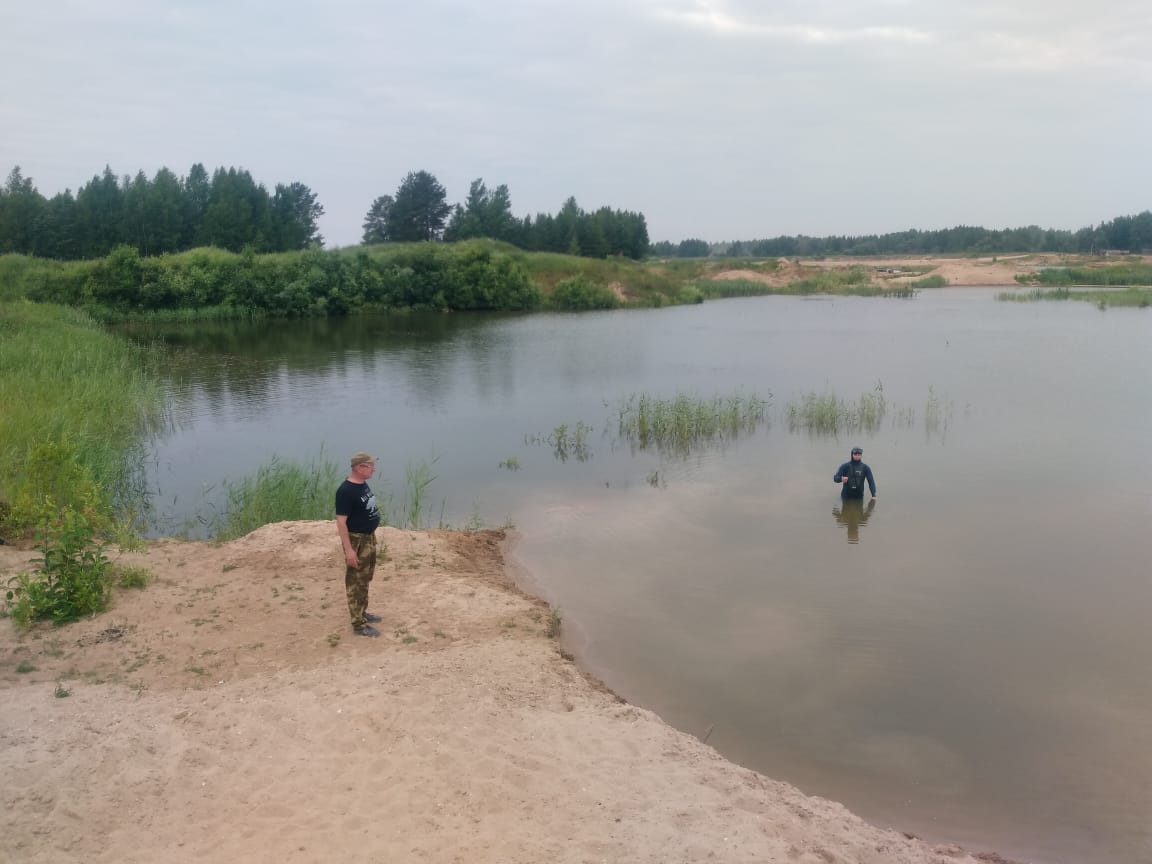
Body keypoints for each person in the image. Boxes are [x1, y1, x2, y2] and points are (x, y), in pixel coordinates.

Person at [335, 451, 383, 637]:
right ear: (359, 467)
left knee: (365, 578)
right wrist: (349, 550)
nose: (374, 469)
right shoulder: (346, 490)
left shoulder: (362, 484)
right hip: (356, 540)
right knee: (356, 581)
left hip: (368, 537)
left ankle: (362, 613)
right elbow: (341, 521)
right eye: (370, 465)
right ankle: (358, 625)